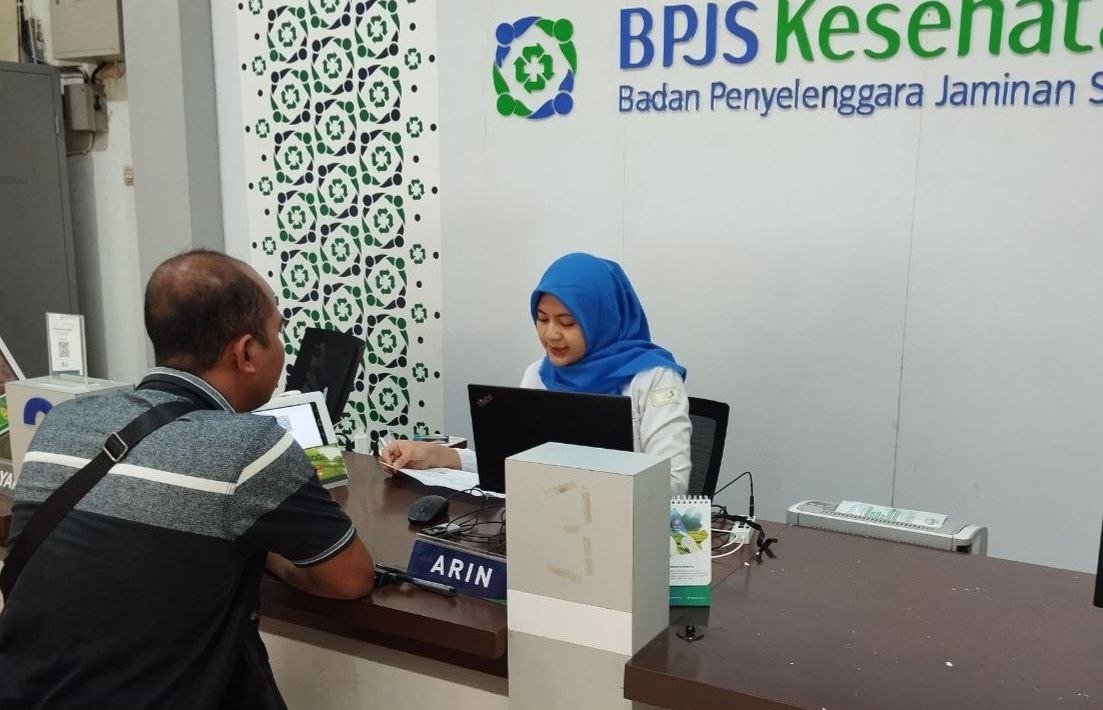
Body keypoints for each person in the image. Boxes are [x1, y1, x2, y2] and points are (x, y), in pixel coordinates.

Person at [0, 250, 375, 708]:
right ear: (246, 352)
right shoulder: (252, 447)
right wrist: (269, 555)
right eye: (278, 332)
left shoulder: (63, 421)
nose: (282, 348)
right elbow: (350, 579)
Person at [383, 252, 692, 495]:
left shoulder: (654, 378)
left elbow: (673, 484)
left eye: (567, 322)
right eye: (542, 319)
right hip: (547, 525)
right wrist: (434, 456)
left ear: (603, 319)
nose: (551, 334)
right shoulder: (539, 374)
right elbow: (514, 463)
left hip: (624, 532)